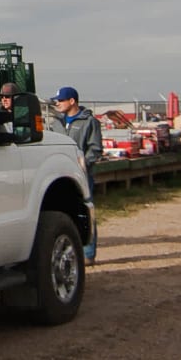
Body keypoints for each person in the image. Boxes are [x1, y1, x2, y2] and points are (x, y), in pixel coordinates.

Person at [53, 87, 101, 263]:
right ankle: (68, 251)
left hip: (81, 174)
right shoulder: (56, 123)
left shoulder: (89, 122)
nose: (57, 103)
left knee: (83, 211)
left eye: (61, 100)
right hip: (60, 175)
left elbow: (95, 148)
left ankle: (88, 253)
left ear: (72, 101)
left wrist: (83, 163)